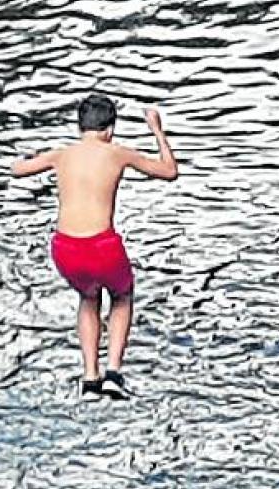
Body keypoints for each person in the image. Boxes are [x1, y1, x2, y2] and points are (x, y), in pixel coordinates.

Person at [11, 94, 178, 396]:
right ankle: (113, 372)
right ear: (110, 129)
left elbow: (17, 170)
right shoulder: (117, 153)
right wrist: (157, 130)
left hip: (65, 248)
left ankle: (90, 378)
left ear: (80, 127)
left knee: (88, 298)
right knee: (122, 296)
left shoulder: (60, 155)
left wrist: (28, 155)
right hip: (102, 247)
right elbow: (169, 171)